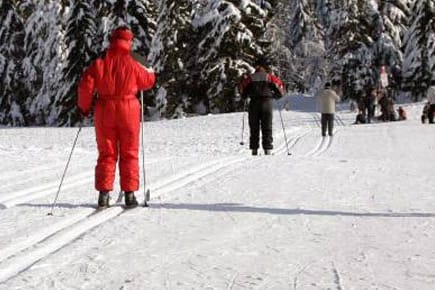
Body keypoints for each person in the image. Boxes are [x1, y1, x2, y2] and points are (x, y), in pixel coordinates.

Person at [77, 26, 156, 208]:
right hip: (129, 109)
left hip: (105, 109)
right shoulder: (134, 60)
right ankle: (129, 194)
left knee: (107, 153)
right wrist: (147, 65)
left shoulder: (100, 60)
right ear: (129, 40)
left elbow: (85, 86)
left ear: (112, 40)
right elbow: (149, 80)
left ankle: (103, 195)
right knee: (129, 152)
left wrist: (84, 108)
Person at [240, 57, 284, 155]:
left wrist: (245, 96)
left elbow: (242, 90)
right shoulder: (270, 77)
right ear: (264, 67)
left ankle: (254, 150)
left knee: (254, 127)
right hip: (267, 103)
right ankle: (267, 150)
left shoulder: (251, 78)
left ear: (257, 66)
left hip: (254, 104)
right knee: (267, 127)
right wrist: (275, 96)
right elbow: (280, 88)